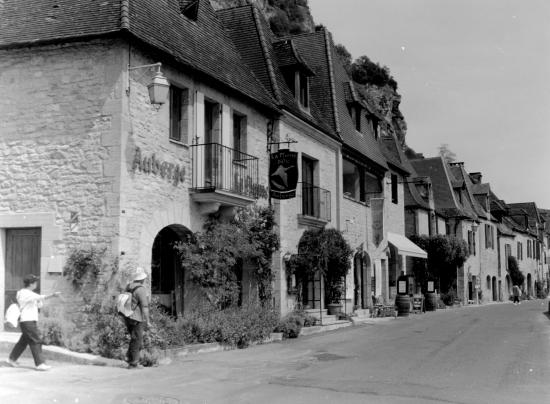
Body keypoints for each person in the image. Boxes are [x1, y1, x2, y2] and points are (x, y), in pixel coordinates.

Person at [6, 274, 61, 371]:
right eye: (35, 282)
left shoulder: (29, 293)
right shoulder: (25, 293)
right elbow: (42, 297)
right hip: (28, 321)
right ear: (31, 284)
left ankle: (11, 359)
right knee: (36, 340)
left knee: (23, 342)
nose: (36, 284)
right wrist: (53, 295)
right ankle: (40, 364)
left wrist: (38, 300)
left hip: (28, 321)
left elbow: (39, 305)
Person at [124, 267, 150, 369]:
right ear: (142, 279)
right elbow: (145, 306)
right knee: (137, 339)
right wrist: (147, 321)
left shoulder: (128, 286)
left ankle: (129, 358)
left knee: (134, 338)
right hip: (136, 318)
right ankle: (133, 363)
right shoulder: (141, 289)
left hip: (127, 316)